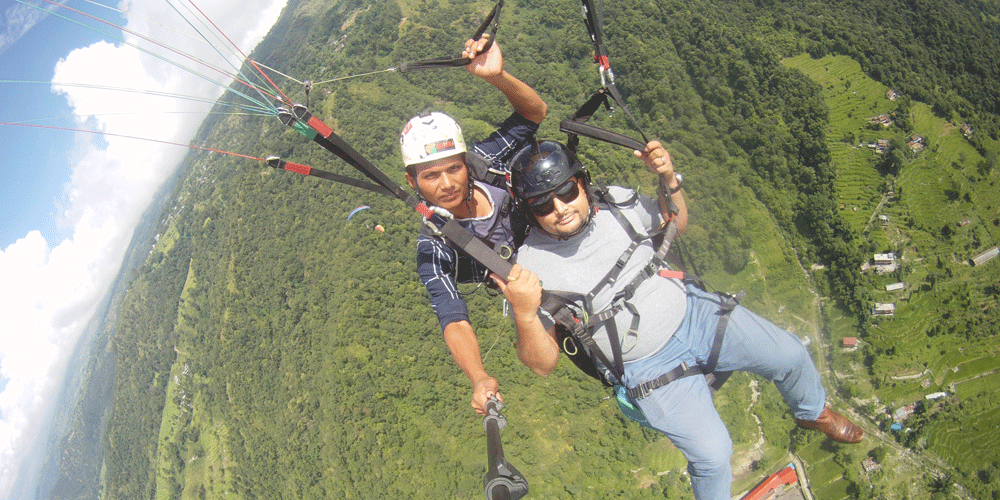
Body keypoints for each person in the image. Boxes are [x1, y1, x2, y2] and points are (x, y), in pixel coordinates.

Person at [495, 140, 864, 500]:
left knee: (790, 354)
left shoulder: (616, 204)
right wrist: (525, 311)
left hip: (695, 315)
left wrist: (669, 180)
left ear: (582, 184)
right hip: (647, 366)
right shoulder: (531, 267)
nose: (560, 208)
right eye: (543, 203)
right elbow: (541, 365)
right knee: (713, 455)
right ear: (529, 212)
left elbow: (676, 223)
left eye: (566, 191)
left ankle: (812, 412)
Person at [400, 35, 547, 415]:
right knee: (544, 362)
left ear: (466, 162)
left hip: (552, 237)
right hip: (524, 284)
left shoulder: (485, 162)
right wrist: (478, 377)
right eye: (431, 176)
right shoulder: (435, 245)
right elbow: (452, 314)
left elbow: (532, 114)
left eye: (453, 168)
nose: (447, 183)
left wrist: (497, 77)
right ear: (411, 183)